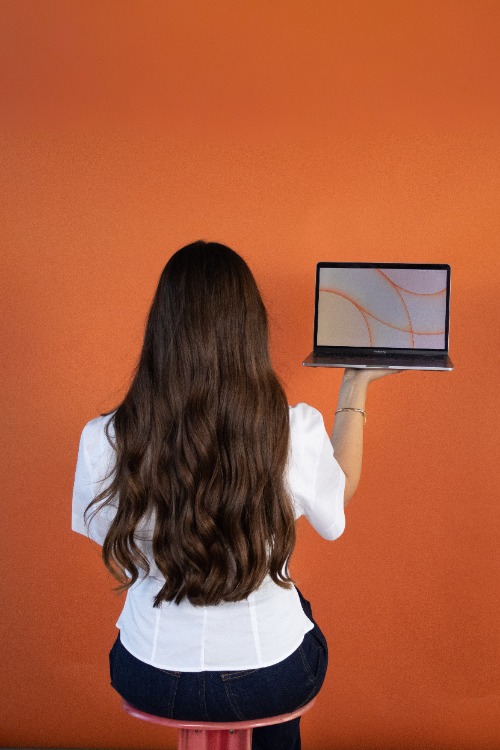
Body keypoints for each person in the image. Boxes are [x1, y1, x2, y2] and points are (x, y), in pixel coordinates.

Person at [72, 240, 401, 750]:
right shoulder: (291, 432)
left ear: (162, 330)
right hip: (265, 678)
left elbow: (107, 534)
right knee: (291, 627)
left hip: (149, 672)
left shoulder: (105, 438)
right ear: (250, 330)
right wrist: (354, 386)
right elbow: (335, 501)